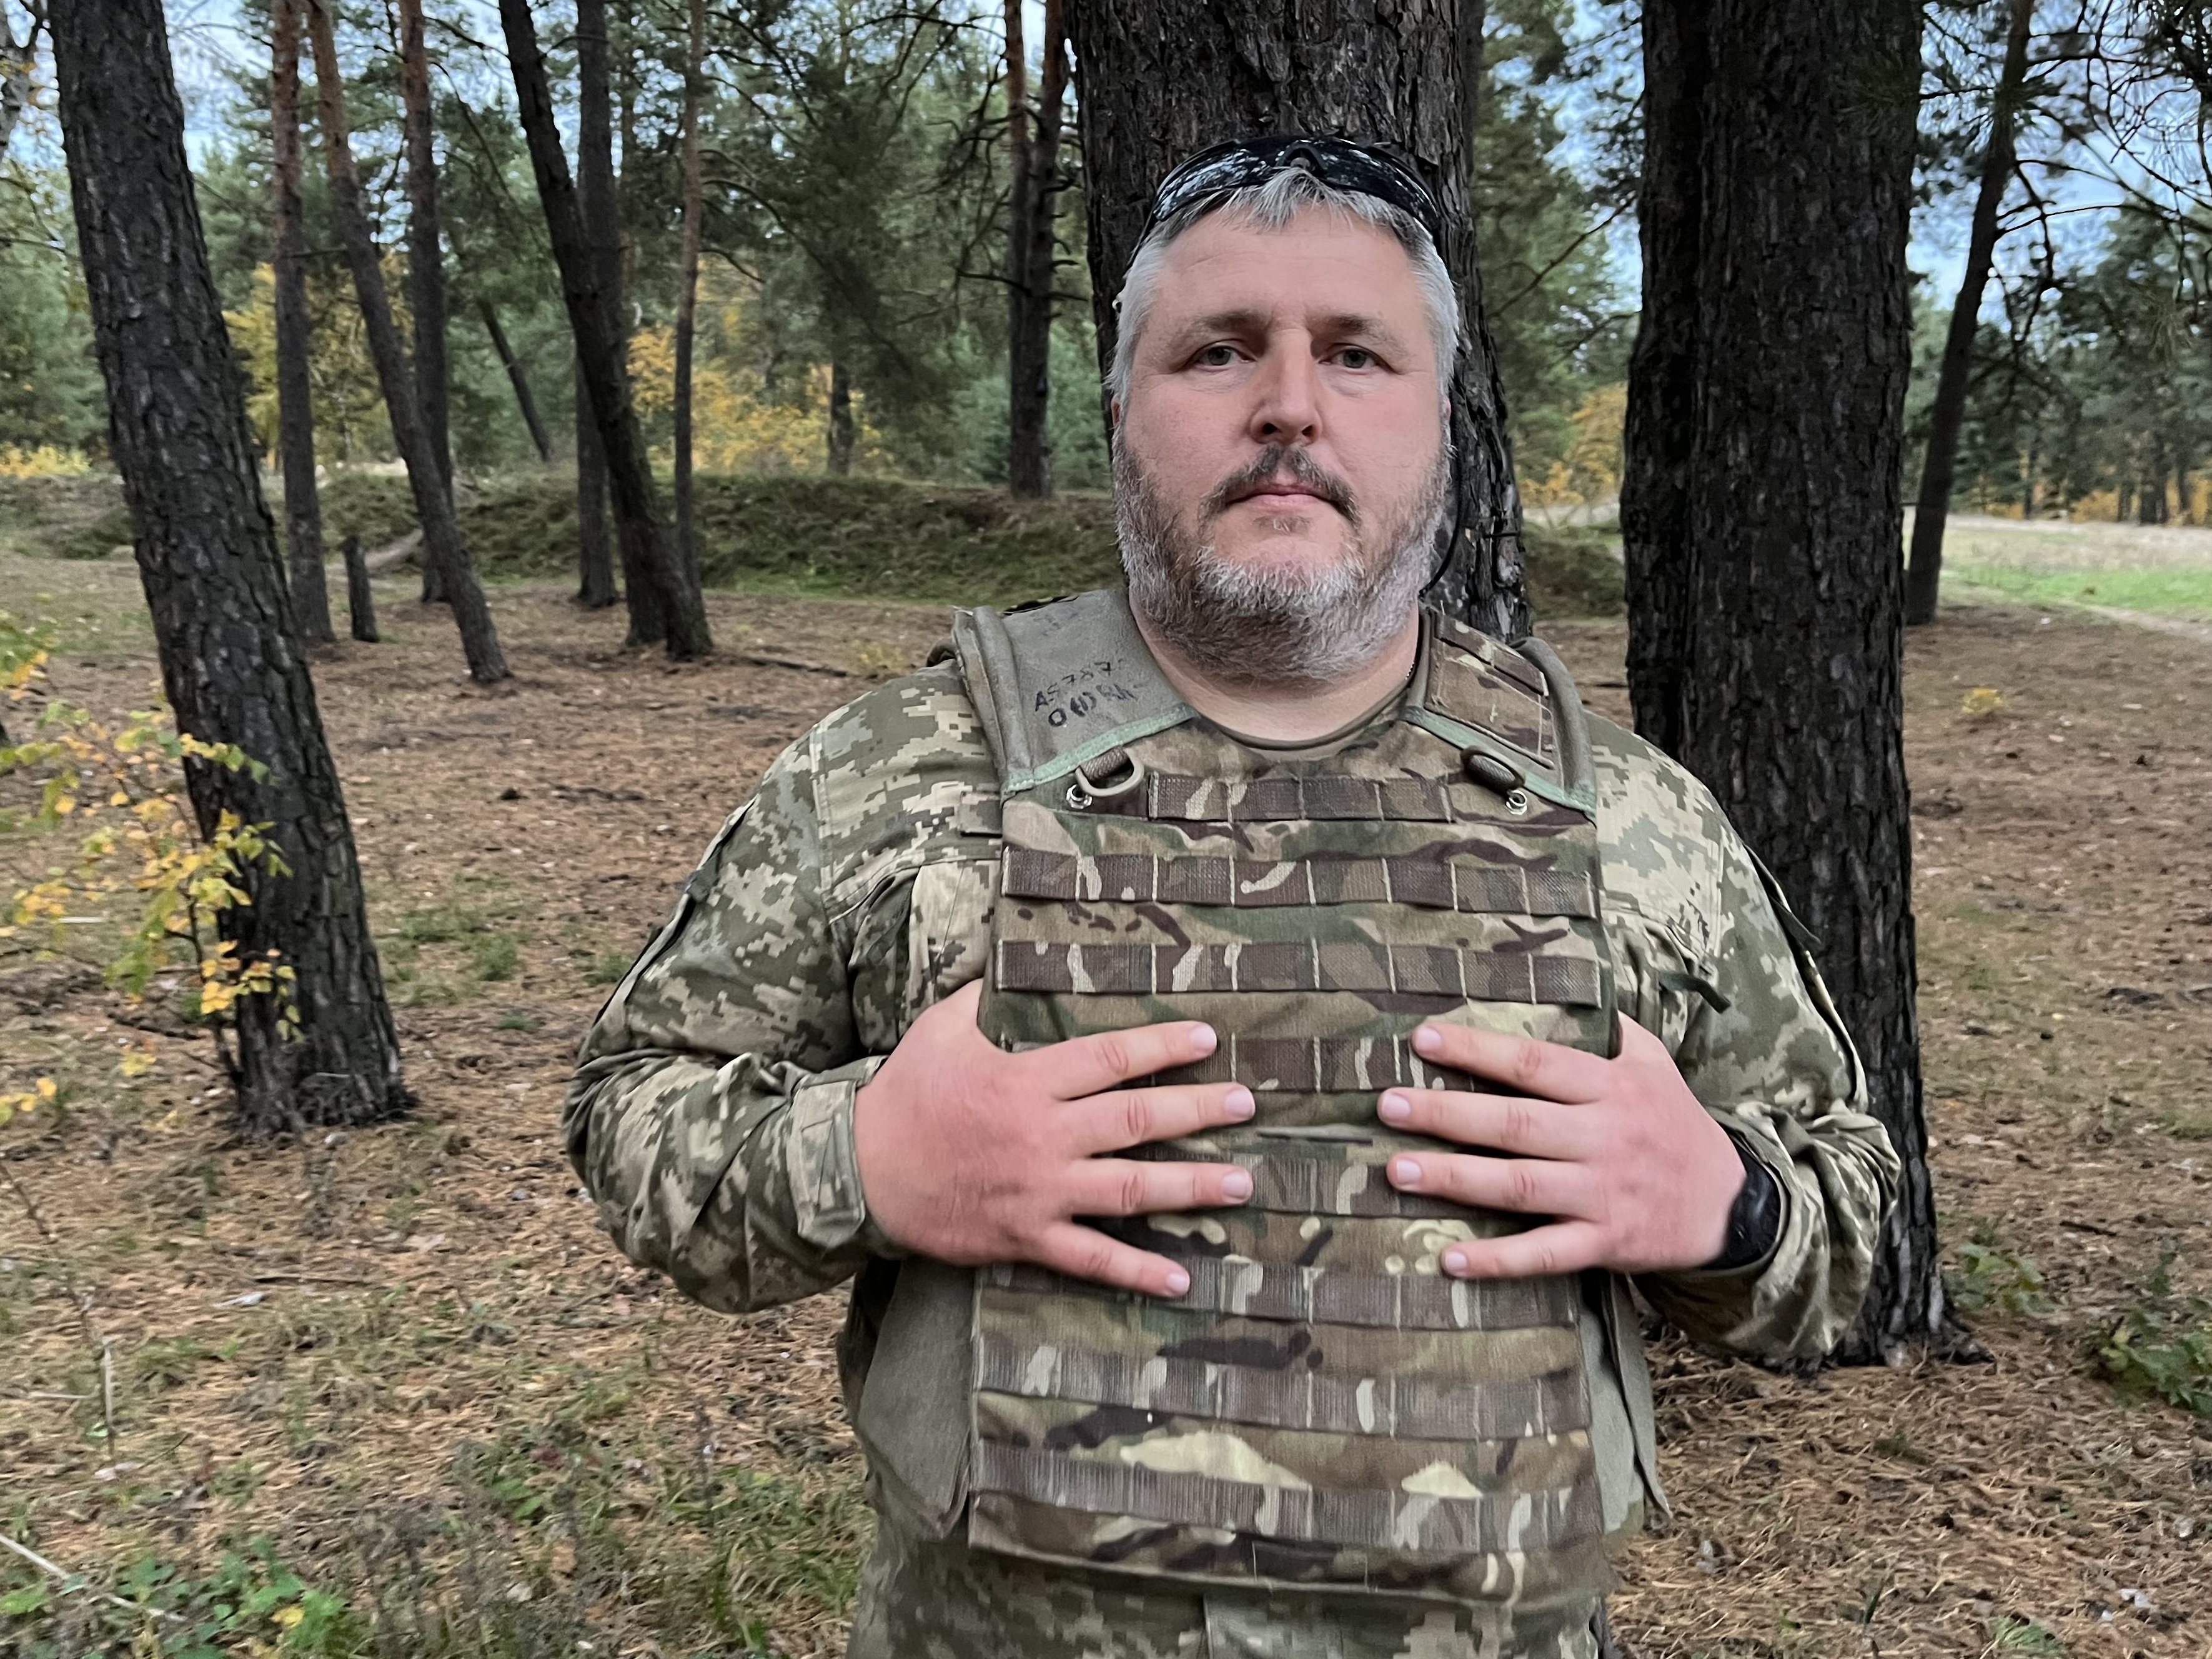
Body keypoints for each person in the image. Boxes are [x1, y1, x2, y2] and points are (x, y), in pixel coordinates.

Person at [565, 136, 1900, 1659]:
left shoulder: (1632, 823)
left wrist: (1722, 1204)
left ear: (1440, 427)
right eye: (1218, 350)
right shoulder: (895, 773)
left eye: (1355, 353)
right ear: (1126, 410)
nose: (1288, 404)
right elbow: (632, 1111)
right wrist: (861, 1156)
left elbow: (1852, 1227)